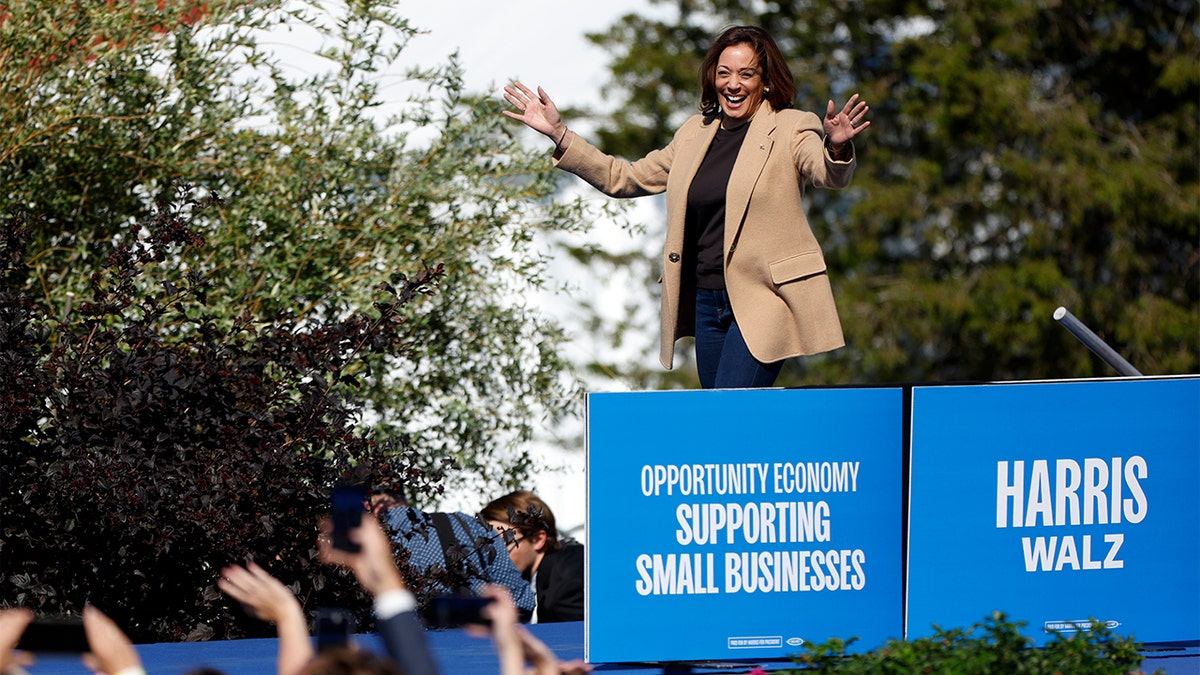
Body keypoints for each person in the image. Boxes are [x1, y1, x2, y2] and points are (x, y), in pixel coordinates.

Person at [503, 25, 871, 389]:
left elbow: (827, 174)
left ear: (767, 81)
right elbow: (624, 177)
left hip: (764, 298)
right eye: (724, 73)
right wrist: (559, 133)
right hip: (707, 303)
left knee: (730, 410)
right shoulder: (695, 132)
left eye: (746, 74)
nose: (733, 84)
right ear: (712, 78)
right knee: (718, 423)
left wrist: (836, 147)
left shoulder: (792, 126)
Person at [479, 491, 584, 623]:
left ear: (537, 539)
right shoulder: (567, 560)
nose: (492, 558)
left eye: (501, 545)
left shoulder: (564, 591)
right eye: (486, 547)